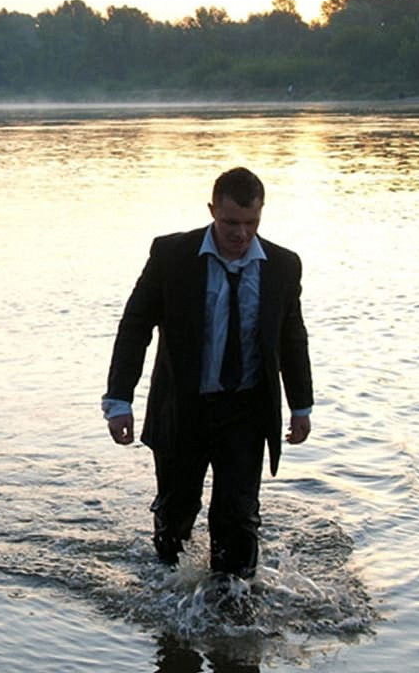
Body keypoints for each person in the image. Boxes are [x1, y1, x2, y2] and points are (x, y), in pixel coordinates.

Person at [102, 166, 313, 580]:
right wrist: (118, 401)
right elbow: (135, 326)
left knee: (238, 518)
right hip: (184, 406)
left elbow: (292, 336)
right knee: (176, 512)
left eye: (251, 223)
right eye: (230, 222)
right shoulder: (171, 256)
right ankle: (167, 594)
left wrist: (301, 405)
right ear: (212, 210)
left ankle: (235, 612)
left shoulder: (283, 266)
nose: (241, 234)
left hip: (247, 411)